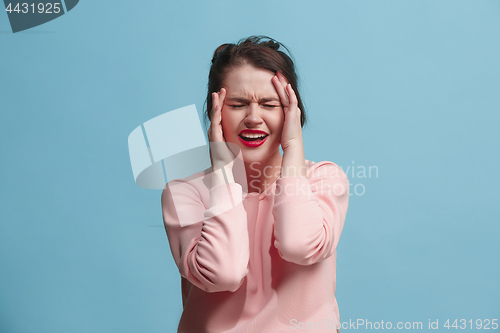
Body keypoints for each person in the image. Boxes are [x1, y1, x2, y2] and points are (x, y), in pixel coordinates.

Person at [161, 35, 350, 333]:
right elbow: (223, 273)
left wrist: (293, 147)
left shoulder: (324, 179)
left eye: (268, 104)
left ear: (290, 111)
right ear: (216, 112)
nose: (253, 118)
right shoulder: (184, 193)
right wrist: (223, 172)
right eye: (238, 104)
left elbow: (299, 245)